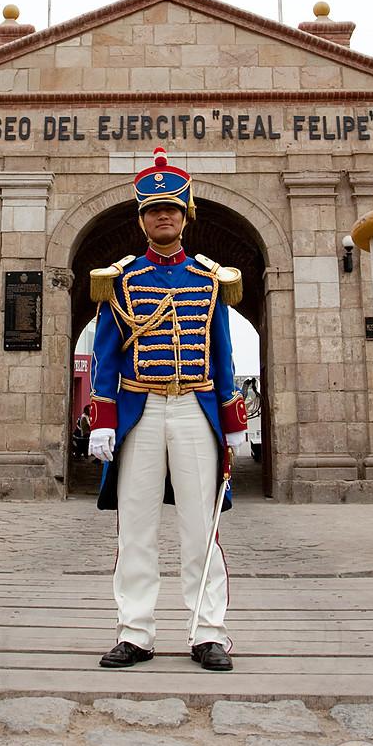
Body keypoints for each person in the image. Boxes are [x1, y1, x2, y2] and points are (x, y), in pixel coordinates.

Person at [86, 148, 249, 671]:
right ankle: (135, 632)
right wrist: (104, 420)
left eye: (172, 209)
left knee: (201, 526)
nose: (164, 216)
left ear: (186, 215)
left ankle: (208, 631)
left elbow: (221, 353)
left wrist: (232, 422)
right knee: (135, 526)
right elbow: (106, 355)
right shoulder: (123, 279)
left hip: (195, 409)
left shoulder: (209, 279)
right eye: (154, 209)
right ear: (141, 217)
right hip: (140, 410)